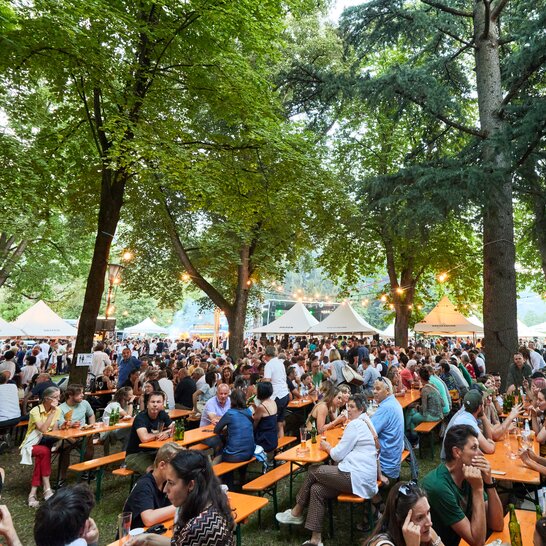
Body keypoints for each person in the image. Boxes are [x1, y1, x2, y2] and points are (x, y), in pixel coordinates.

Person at [276, 394, 379, 546]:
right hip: (364, 477)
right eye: (347, 406)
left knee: (313, 470)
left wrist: (327, 447)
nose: (348, 410)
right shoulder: (364, 420)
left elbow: (337, 455)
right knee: (317, 489)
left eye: (352, 407)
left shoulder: (354, 424)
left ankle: (296, 512)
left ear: (361, 409)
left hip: (356, 477)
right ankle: (316, 540)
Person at [126, 450, 235, 546]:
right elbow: (178, 543)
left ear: (191, 485)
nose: (165, 489)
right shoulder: (212, 503)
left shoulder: (198, 528)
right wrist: (148, 538)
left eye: (171, 483)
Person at [422, 424, 503, 546]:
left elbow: (497, 524)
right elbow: (477, 542)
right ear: (457, 452)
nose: (481, 454)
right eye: (474, 448)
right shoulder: (438, 486)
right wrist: (478, 489)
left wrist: (489, 483)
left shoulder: (469, 474)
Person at [123, 442, 183, 529]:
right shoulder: (144, 485)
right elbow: (148, 519)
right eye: (175, 467)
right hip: (133, 539)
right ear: (162, 465)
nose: (178, 471)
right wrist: (181, 506)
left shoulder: (166, 482)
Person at [367, 481, 445, 546]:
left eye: (428, 512)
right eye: (419, 518)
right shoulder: (384, 544)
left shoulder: (425, 529)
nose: (429, 523)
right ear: (400, 521)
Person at [19, 386, 61, 507]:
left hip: (46, 443)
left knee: (43, 453)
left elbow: (54, 430)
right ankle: (47, 488)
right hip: (31, 444)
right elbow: (42, 429)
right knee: (44, 452)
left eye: (59, 396)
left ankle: (33, 493)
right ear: (47, 399)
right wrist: (52, 413)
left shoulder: (57, 410)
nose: (58, 399)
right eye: (55, 397)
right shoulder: (35, 411)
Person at [125, 391, 174, 475]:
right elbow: (144, 438)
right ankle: (149, 486)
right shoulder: (141, 417)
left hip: (154, 452)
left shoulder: (162, 414)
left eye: (158, 402)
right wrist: (160, 434)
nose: (155, 404)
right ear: (147, 404)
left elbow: (175, 428)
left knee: (174, 464)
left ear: (163, 405)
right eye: (152, 402)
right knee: (154, 472)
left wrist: (168, 434)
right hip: (135, 455)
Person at [57, 384, 96, 484]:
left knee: (89, 444)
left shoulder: (85, 403)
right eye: (79, 394)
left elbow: (91, 415)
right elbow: (61, 426)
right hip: (68, 437)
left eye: (82, 393)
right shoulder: (61, 408)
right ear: (70, 395)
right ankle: (62, 477)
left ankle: (85, 470)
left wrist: (92, 427)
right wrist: (70, 425)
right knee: (64, 449)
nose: (82, 395)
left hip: (84, 434)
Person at [440, 390, 495, 459]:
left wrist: (483, 417)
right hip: (451, 463)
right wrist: (492, 443)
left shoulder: (465, 415)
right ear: (480, 407)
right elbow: (489, 449)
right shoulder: (467, 422)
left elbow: (486, 439)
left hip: (453, 458)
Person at [370, 378, 405, 485]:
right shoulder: (394, 403)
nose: (374, 391)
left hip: (386, 465)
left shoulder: (386, 408)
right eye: (374, 389)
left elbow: (367, 433)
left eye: (378, 389)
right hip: (393, 459)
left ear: (388, 391)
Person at [405, 368, 444, 437]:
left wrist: (416, 406)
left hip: (433, 416)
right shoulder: (433, 385)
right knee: (412, 411)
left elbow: (424, 410)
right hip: (440, 413)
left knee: (413, 418)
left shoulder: (425, 390)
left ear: (420, 377)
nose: (416, 377)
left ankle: (414, 439)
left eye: (418, 375)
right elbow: (442, 403)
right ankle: (411, 433)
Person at [262, 345, 290, 438]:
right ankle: (281, 448)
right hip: (285, 394)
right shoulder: (280, 363)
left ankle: (273, 446)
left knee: (272, 423)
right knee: (280, 423)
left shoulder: (269, 365)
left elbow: (267, 382)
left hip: (276, 396)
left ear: (266, 355)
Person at [100, 386, 135, 454]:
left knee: (129, 435)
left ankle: (125, 457)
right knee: (131, 431)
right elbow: (129, 416)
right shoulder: (114, 405)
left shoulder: (124, 404)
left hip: (117, 428)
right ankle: (124, 457)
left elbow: (128, 418)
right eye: (130, 395)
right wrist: (131, 402)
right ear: (123, 396)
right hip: (108, 431)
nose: (133, 396)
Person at [252, 380, 278, 452]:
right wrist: (255, 407)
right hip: (273, 437)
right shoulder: (273, 402)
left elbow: (255, 424)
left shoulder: (262, 406)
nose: (255, 391)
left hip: (264, 440)